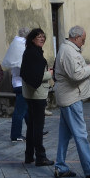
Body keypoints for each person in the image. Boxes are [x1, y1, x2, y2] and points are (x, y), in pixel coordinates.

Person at [53, 26, 90, 178]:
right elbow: (75, 75)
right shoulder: (69, 51)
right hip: (71, 98)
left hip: (68, 97)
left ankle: (61, 166)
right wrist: (89, 68)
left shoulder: (67, 50)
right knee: (80, 134)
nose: (83, 43)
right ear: (76, 37)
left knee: (65, 135)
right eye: (83, 40)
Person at [20, 28, 53, 166]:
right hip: (36, 95)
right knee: (38, 127)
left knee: (32, 126)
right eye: (39, 36)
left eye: (43, 36)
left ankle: (29, 155)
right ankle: (40, 156)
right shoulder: (34, 53)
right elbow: (36, 75)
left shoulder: (30, 51)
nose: (42, 38)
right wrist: (50, 73)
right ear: (32, 38)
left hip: (30, 94)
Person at [3, 28, 28, 142]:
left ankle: (34, 129)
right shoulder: (21, 47)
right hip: (20, 83)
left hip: (18, 82)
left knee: (27, 110)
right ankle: (16, 134)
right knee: (20, 111)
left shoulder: (15, 46)